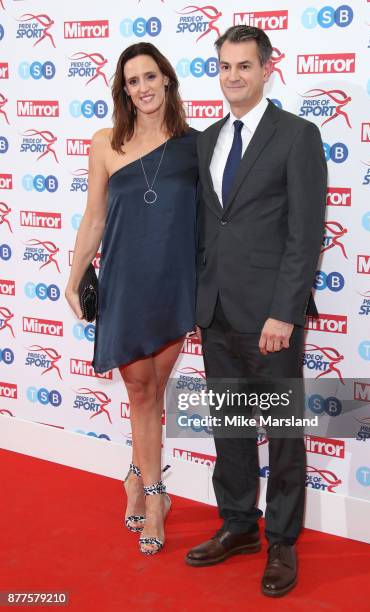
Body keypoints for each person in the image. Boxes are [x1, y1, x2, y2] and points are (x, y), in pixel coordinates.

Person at [185, 26, 327, 597]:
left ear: (268, 68)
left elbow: (305, 231)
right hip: (215, 310)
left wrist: (284, 312)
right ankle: (239, 524)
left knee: (284, 431)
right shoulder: (207, 140)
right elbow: (207, 225)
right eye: (224, 66)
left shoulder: (297, 135)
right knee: (231, 425)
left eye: (244, 65)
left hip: (271, 316)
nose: (233, 76)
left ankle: (283, 543)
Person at [65, 42, 198, 556]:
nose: (142, 87)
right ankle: (156, 495)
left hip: (173, 283)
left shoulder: (195, 145)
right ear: (124, 90)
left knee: (156, 389)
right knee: (140, 392)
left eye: (149, 76)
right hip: (124, 281)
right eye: (132, 80)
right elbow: (94, 218)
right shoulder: (105, 142)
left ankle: (135, 475)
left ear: (166, 80)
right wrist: (75, 278)